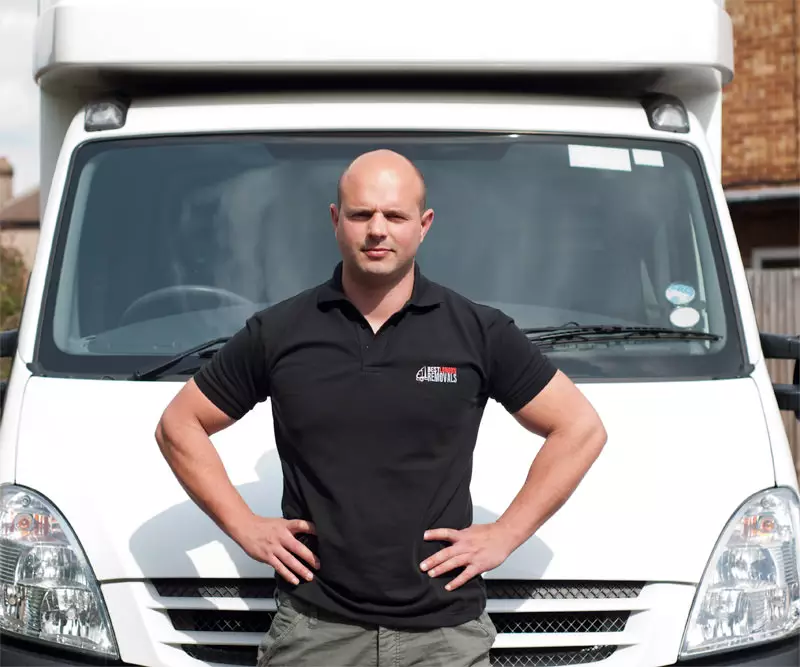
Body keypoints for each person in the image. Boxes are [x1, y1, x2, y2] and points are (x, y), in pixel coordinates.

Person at [155, 149, 607, 667]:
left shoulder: (478, 332)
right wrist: (244, 525)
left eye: (394, 215)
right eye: (360, 214)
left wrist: (505, 534)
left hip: (444, 638)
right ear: (335, 220)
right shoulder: (281, 331)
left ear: (424, 225)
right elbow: (179, 425)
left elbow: (579, 428)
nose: (377, 229)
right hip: (314, 633)